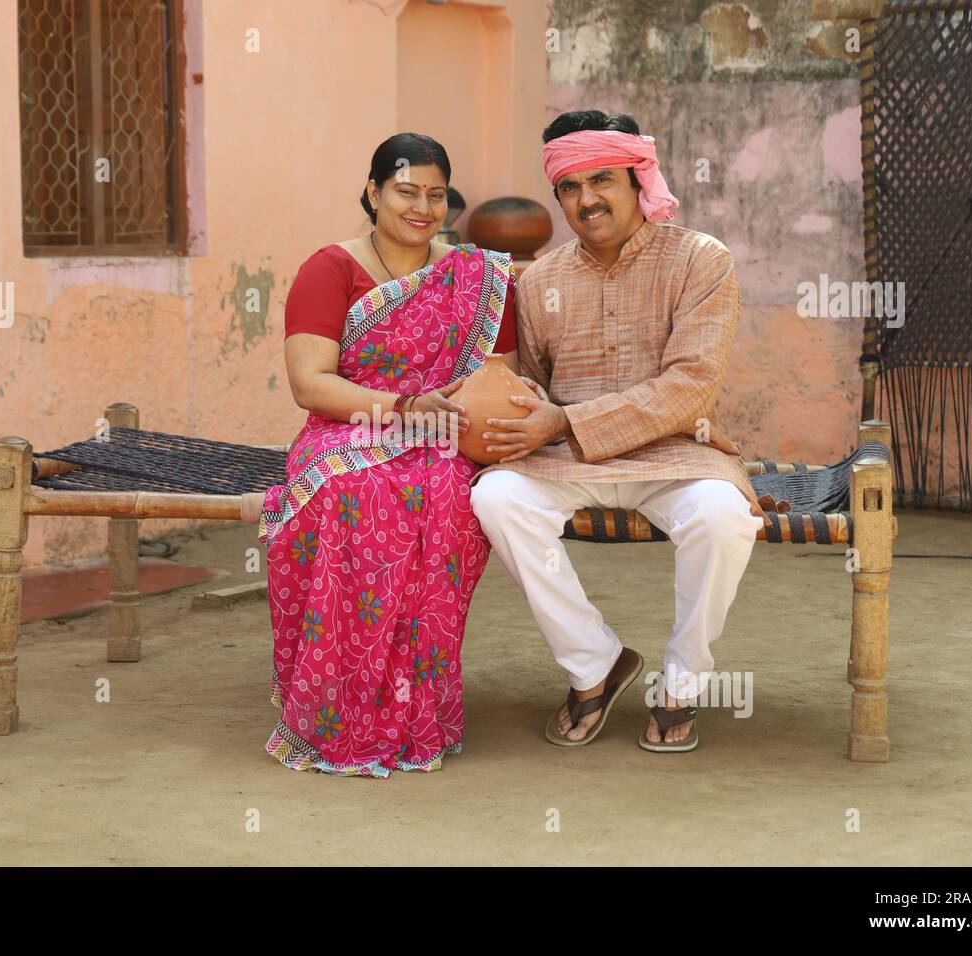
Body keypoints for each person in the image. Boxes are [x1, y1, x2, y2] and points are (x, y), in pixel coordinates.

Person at [470, 110, 766, 753]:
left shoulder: (700, 260)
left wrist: (568, 420)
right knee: (495, 496)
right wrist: (527, 412)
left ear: (639, 180)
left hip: (675, 456)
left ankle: (683, 684)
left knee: (722, 517)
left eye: (601, 180)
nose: (586, 200)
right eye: (569, 188)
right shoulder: (541, 278)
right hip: (569, 462)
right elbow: (532, 384)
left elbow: (692, 385)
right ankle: (594, 665)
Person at [259, 132, 521, 776]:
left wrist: (446, 414)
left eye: (436, 196)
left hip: (445, 434)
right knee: (356, 493)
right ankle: (336, 706)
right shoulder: (331, 268)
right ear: (374, 192)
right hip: (350, 428)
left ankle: (415, 707)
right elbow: (310, 384)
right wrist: (403, 407)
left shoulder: (477, 278)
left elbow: (500, 376)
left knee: (452, 496)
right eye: (406, 191)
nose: (422, 207)